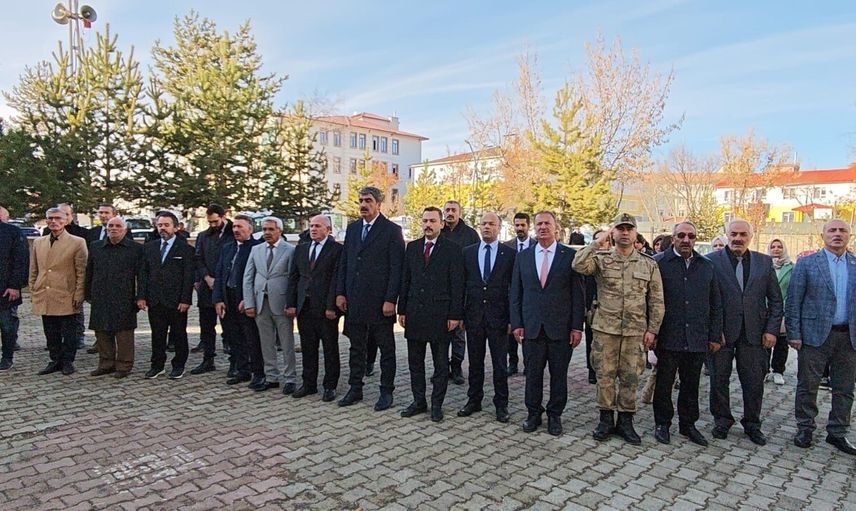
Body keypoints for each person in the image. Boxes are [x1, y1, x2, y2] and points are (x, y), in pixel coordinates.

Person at [573, 213, 664, 444]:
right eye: (620, 229)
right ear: (613, 232)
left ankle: (625, 421)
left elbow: (656, 300)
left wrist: (653, 329)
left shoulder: (648, 263)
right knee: (604, 376)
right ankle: (605, 419)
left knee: (630, 377)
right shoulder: (601, 259)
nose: (625, 233)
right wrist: (598, 241)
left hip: (635, 331)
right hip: (606, 330)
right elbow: (578, 264)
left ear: (635, 233)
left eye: (629, 229)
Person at [706, 219, 782, 446]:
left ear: (751, 236)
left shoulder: (764, 262)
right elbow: (705, 300)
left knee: (754, 382)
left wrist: (772, 330)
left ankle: (752, 424)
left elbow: (776, 300)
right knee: (719, 380)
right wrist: (713, 331)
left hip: (754, 334)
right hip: (722, 334)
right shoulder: (711, 261)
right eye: (734, 234)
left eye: (743, 234)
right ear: (727, 235)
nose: (738, 238)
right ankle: (722, 420)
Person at [511, 211, 585, 436]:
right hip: (531, 327)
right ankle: (533, 413)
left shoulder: (569, 256)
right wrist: (517, 323)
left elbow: (578, 295)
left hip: (560, 329)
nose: (543, 227)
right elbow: (516, 293)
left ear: (556, 227)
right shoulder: (523, 256)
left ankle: (555, 415)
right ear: (534, 227)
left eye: (547, 223)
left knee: (558, 375)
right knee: (532, 374)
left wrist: (577, 326)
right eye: (539, 224)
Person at [787, 219, 856, 455]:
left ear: (849, 235)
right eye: (832, 230)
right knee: (808, 385)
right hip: (814, 336)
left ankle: (837, 432)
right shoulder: (807, 263)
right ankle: (805, 428)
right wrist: (794, 333)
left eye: (842, 230)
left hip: (848, 337)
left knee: (845, 388)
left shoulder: (855, 264)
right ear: (823, 235)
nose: (837, 234)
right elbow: (793, 300)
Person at [652, 221, 723, 446]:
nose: (686, 240)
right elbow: (649, 300)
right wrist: (651, 331)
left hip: (696, 336)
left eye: (691, 236)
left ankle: (688, 424)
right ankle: (662, 423)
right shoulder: (658, 263)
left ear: (695, 239)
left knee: (691, 384)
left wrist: (714, 335)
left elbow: (715, 302)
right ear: (673, 238)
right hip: (668, 335)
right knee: (664, 383)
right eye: (681, 235)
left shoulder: (706, 266)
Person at [336, 187, 405, 411]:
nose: (363, 205)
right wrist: (340, 292)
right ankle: (355, 388)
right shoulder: (353, 228)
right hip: (355, 300)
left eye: (368, 201)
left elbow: (396, 268)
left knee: (386, 349)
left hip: (380, 302)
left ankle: (386, 391)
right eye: (361, 201)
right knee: (356, 348)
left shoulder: (392, 230)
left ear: (378, 204)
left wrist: (390, 299)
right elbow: (345, 262)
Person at [398, 207, 465, 422]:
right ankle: (419, 401)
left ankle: (437, 404)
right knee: (415, 363)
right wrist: (402, 309)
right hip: (415, 314)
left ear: (441, 224)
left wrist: (455, 315)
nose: (428, 224)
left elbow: (457, 285)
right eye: (425, 220)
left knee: (440, 365)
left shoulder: (453, 249)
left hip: (440, 316)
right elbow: (405, 280)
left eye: (433, 221)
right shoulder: (412, 247)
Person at [458, 212, 515, 423]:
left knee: (500, 363)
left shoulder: (509, 254)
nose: (487, 227)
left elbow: (513, 289)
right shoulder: (468, 252)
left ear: (499, 227)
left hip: (499, 318)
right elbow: (462, 286)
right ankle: (474, 399)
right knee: (474, 362)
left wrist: (512, 319)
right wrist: (460, 314)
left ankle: (501, 404)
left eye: (491, 224)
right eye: (483, 224)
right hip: (474, 316)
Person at [286, 214, 343, 402]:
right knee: (308, 347)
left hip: (325, 308)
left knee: (330, 348)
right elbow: (294, 277)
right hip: (305, 307)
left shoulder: (336, 250)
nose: (313, 229)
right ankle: (309, 384)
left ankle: (330, 386)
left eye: (318, 226)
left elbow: (336, 279)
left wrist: (331, 306)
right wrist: (291, 303)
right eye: (311, 226)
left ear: (328, 229)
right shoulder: (301, 249)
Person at [137, 211, 196, 380]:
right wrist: (141, 296)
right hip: (155, 300)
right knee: (157, 334)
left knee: (179, 334)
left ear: (176, 227)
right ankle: (157, 365)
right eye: (160, 225)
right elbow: (143, 274)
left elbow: (188, 277)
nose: (162, 228)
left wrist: (185, 299)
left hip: (176, 301)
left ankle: (178, 365)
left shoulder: (185, 249)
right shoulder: (149, 248)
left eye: (166, 225)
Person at [31, 207, 88, 375]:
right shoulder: (39, 242)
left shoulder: (77, 242)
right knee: (50, 331)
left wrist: (79, 293)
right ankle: (55, 359)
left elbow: (82, 271)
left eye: (58, 218)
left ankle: (68, 361)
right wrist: (34, 288)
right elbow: (34, 269)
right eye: (50, 218)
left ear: (65, 220)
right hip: (45, 293)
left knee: (69, 331)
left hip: (66, 293)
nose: (53, 221)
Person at [243, 217, 297, 393]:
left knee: (286, 342)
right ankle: (271, 377)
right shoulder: (256, 249)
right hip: (260, 302)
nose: (267, 232)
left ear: (280, 230)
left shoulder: (290, 250)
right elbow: (248, 277)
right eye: (265, 229)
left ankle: (290, 378)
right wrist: (249, 302)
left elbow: (293, 279)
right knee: (266, 342)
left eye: (271, 229)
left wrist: (291, 303)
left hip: (281, 302)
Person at [84, 217, 143, 378]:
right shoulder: (96, 246)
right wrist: (87, 293)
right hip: (100, 295)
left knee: (124, 334)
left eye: (118, 226)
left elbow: (142, 275)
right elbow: (89, 271)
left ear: (125, 230)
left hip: (125, 296)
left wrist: (140, 296)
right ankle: (106, 363)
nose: (114, 228)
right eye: (111, 225)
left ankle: (124, 365)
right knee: (102, 332)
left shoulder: (135, 249)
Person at [212, 215, 262, 385]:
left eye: (240, 227)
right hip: (228, 297)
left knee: (251, 336)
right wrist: (218, 299)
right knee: (233, 335)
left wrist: (249, 299)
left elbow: (258, 277)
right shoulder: (228, 247)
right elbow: (219, 274)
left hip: (246, 299)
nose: (236, 230)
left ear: (250, 229)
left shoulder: (257, 248)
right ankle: (241, 369)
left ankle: (257, 371)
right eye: (234, 227)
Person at [439, 200, 481, 385]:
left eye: (453, 210)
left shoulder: (470, 234)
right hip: (440, 290)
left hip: (462, 289)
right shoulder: (438, 231)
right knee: (440, 333)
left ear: (459, 213)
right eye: (447, 210)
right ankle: (441, 368)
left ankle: (456, 367)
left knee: (458, 333)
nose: (450, 213)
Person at [190, 204, 235, 372]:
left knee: (230, 327)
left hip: (227, 288)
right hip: (207, 287)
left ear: (223, 217)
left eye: (216, 221)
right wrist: (206, 277)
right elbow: (198, 258)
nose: (213, 225)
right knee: (206, 326)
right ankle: (208, 359)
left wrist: (221, 280)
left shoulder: (233, 233)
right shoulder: (204, 236)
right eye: (210, 222)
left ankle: (235, 362)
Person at [503, 212, 536, 377]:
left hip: (530, 295)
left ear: (528, 226)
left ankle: (529, 364)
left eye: (523, 225)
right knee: (512, 329)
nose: (520, 228)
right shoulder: (507, 246)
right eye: (517, 225)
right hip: (512, 294)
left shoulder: (537, 245)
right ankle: (513, 362)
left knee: (529, 331)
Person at [0, 213, 28, 370]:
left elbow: (20, 260)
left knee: (6, 325)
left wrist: (15, 285)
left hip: (5, 289)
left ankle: (7, 357)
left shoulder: (12, 232)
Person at [766, 238, 794, 386]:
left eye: (779, 246)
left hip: (783, 310)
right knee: (764, 341)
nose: (776, 249)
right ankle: (764, 370)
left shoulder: (791, 268)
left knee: (781, 343)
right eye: (773, 246)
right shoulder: (764, 265)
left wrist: (783, 306)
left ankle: (778, 371)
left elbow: (793, 289)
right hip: (765, 309)